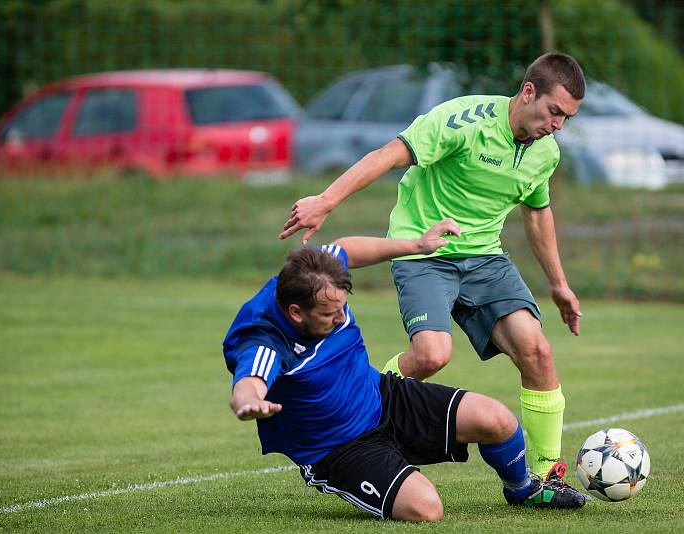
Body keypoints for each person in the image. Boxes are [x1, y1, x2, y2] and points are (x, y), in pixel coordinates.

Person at [279, 52, 586, 485]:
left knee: (538, 350)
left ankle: (545, 478)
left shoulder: (545, 153)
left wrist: (558, 284)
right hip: (424, 250)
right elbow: (388, 154)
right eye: (554, 112)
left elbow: (537, 213)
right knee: (431, 354)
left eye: (566, 119)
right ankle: (354, 410)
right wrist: (326, 200)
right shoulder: (464, 119)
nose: (557, 125)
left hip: (485, 259)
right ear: (528, 91)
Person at [223, 219, 586, 522]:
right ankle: (387, 474)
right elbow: (249, 381)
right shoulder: (266, 342)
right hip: (338, 448)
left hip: (382, 396)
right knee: (426, 508)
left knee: (498, 420)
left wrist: (416, 245)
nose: (340, 319)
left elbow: (345, 247)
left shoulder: (317, 276)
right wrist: (249, 402)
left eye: (342, 310)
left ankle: (524, 491)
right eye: (328, 316)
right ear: (295, 313)